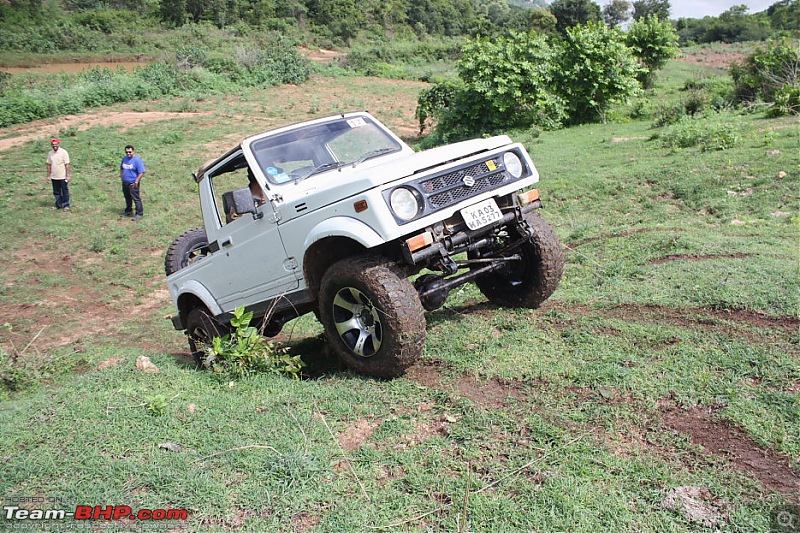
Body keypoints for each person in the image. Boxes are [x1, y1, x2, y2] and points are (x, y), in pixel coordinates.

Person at [120, 145, 146, 221]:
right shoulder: (124, 159)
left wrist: (136, 181)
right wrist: (122, 177)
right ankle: (128, 211)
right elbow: (121, 168)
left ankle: (139, 213)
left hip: (133, 183)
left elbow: (141, 172)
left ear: (133, 151)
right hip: (125, 182)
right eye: (126, 152)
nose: (128, 153)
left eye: (130, 152)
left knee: (136, 199)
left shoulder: (137, 160)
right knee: (127, 197)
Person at [46, 138, 71, 210]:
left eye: (56, 144)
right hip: (54, 177)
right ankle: (58, 205)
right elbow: (49, 165)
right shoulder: (50, 153)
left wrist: (68, 175)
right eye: (53, 145)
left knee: (64, 191)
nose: (54, 146)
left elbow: (67, 165)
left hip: (62, 176)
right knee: (56, 192)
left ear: (59, 144)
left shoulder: (64, 152)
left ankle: (66, 205)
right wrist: (48, 175)